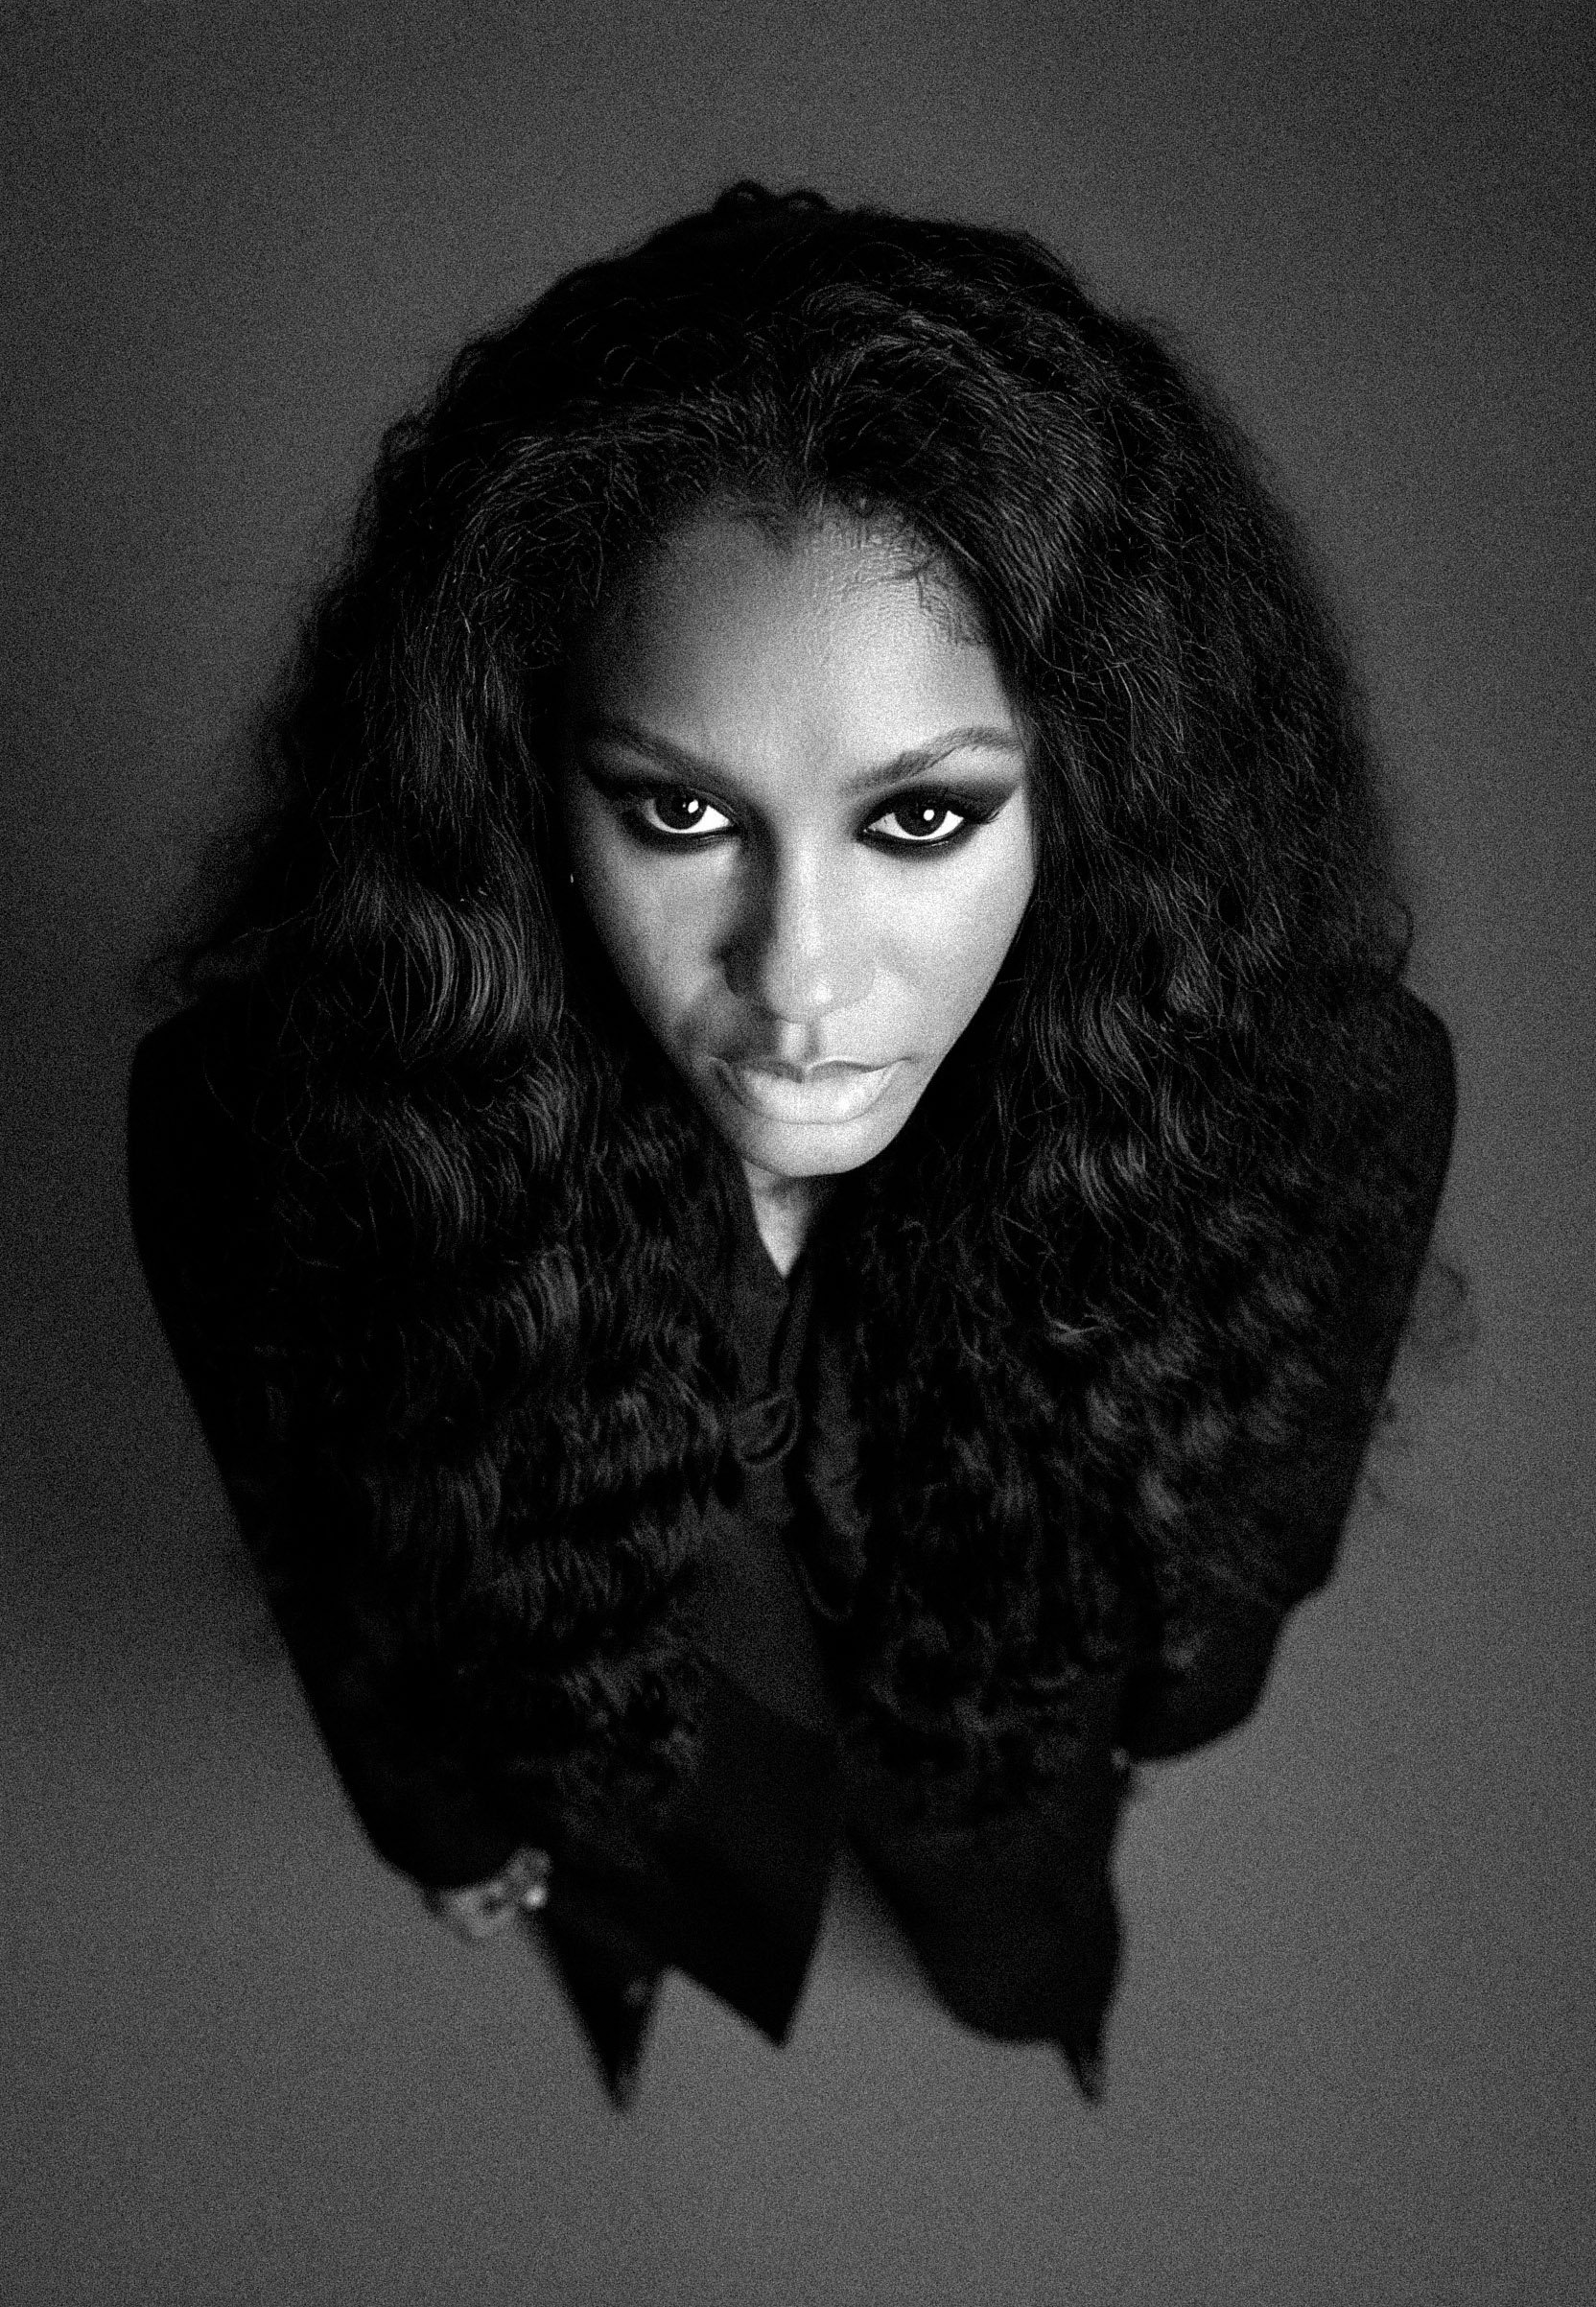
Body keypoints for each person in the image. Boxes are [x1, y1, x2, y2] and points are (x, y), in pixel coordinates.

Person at [127, 181, 1458, 2109]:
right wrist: (436, 1823)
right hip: (595, 1760)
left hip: (1007, 1766)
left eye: (916, 822)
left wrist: (1162, 1710)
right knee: (634, 1974)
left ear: (1098, 796)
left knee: (1016, 1984)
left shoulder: (1322, 1099)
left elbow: (1257, 1526)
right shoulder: (265, 1129)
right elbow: (332, 1550)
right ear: (516, 786)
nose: (797, 978)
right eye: (677, 815)